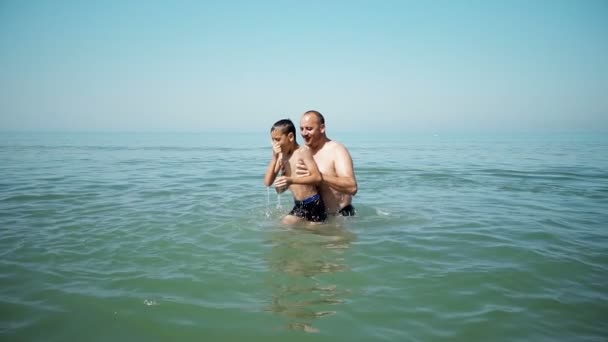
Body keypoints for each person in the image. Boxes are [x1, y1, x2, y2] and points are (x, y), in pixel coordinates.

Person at [264, 119, 327, 224]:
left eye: (277, 139)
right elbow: (267, 182)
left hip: (314, 203)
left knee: (314, 233)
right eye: (273, 140)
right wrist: (275, 157)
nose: (275, 144)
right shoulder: (281, 157)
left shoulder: (303, 152)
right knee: (286, 224)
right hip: (298, 205)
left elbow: (317, 177)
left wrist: (291, 180)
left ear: (290, 137)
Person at [296, 110, 358, 216]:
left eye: (309, 129)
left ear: (322, 128)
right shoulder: (301, 153)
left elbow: (352, 187)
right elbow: (280, 190)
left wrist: (319, 176)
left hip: (339, 216)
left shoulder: (337, 150)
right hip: (312, 214)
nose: (304, 133)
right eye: (302, 129)